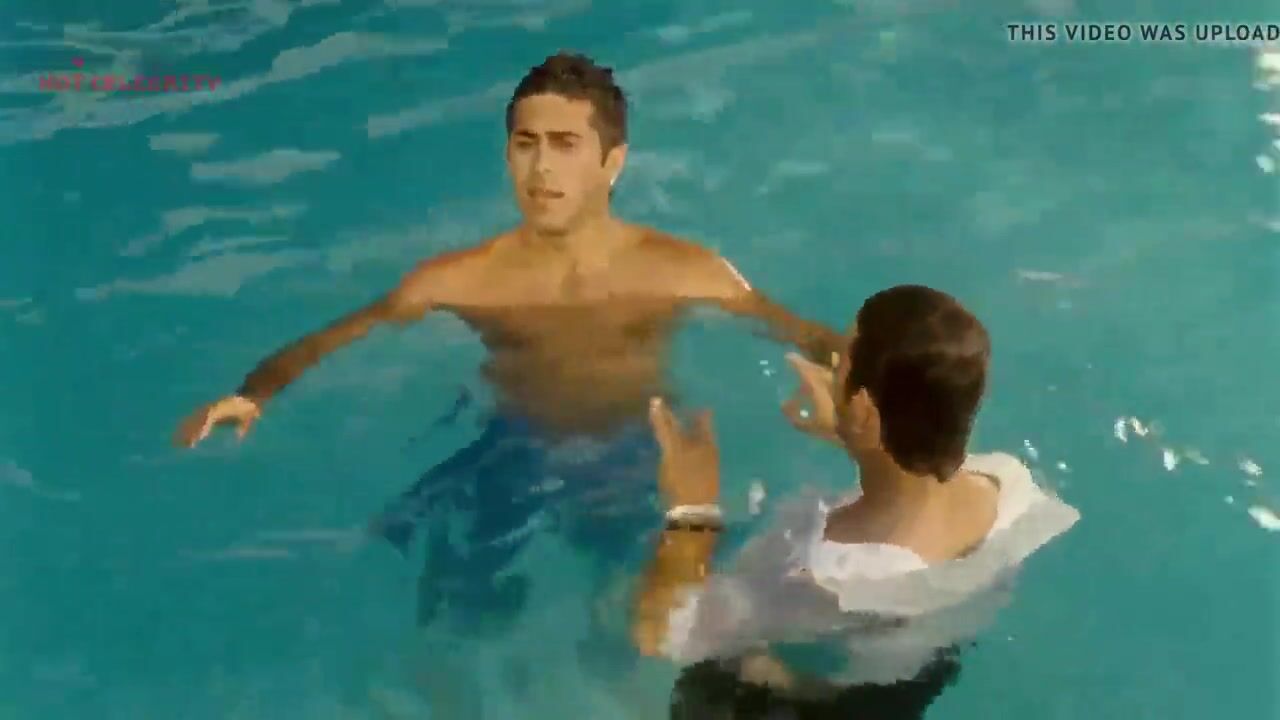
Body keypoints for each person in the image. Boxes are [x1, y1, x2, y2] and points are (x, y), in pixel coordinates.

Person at [173, 51, 842, 632]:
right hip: (513, 448)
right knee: (444, 607)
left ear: (612, 163)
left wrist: (877, 376)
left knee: (647, 615)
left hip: (633, 452)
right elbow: (339, 337)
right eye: (526, 143)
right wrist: (254, 393)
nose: (541, 167)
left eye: (565, 144)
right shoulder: (462, 279)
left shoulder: (684, 270)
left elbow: (801, 333)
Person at [632, 284, 1080, 719]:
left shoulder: (829, 571)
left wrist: (692, 508)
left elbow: (664, 637)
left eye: (840, 363)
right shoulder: (1009, 483)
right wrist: (860, 436)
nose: (830, 371)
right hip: (919, 672)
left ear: (865, 409)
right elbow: (918, 479)